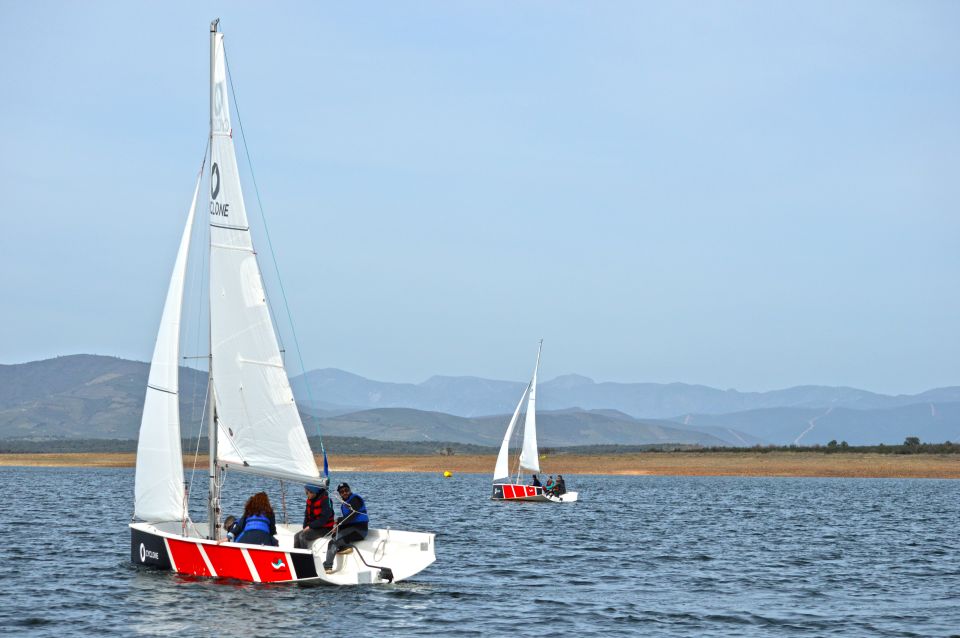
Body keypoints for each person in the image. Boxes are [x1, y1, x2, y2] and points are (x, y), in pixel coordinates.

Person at [324, 482, 369, 574]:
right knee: (334, 535)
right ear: (340, 494)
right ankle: (346, 546)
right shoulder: (344, 504)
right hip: (352, 529)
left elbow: (352, 516)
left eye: (346, 490)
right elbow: (347, 519)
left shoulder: (355, 499)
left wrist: (339, 523)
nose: (344, 493)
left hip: (360, 530)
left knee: (333, 542)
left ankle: (328, 566)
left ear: (349, 490)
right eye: (341, 492)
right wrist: (337, 523)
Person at [293, 483, 334, 549]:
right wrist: (305, 527)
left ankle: (304, 557)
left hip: (325, 529)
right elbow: (306, 516)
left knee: (302, 536)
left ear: (313, 492)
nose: (306, 495)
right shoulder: (309, 500)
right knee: (296, 536)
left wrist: (310, 526)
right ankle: (296, 556)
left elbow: (323, 520)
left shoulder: (326, 501)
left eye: (307, 493)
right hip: (314, 527)